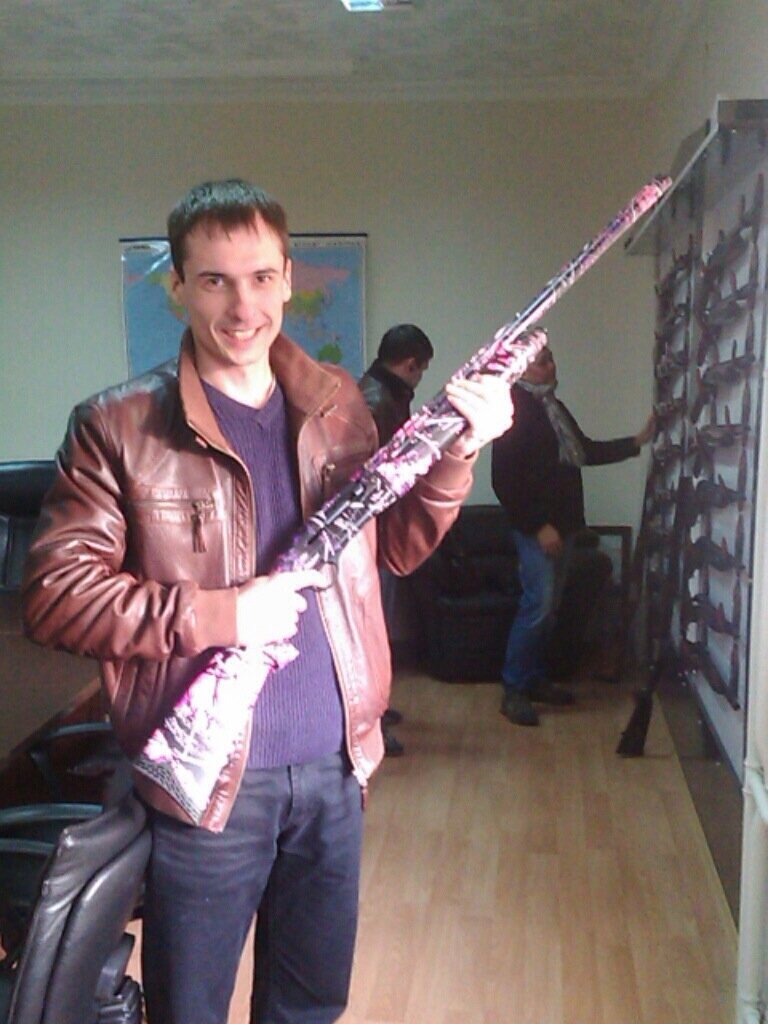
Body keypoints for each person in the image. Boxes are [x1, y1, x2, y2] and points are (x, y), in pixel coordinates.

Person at [21, 178, 513, 1024]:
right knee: (191, 1009)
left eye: (259, 278)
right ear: (179, 286)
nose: (242, 305)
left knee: (309, 1006)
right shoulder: (117, 426)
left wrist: (459, 454)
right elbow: (57, 597)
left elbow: (392, 547)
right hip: (206, 784)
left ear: (288, 279)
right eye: (215, 280)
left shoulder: (338, 406)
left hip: (335, 769)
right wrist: (221, 614)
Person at [491, 329, 653, 727]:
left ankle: (533, 679)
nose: (551, 366)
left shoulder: (551, 407)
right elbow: (504, 480)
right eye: (541, 361)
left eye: (551, 358)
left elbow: (584, 451)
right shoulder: (513, 410)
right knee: (538, 606)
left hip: (564, 527)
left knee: (548, 610)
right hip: (539, 530)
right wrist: (539, 526)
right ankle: (513, 689)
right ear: (521, 369)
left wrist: (637, 441)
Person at [357, 323, 434, 755]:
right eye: (421, 369)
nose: (420, 378)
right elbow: (379, 475)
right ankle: (370, 725)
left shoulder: (378, 393)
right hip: (374, 533)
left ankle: (378, 712)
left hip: (377, 531)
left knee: (377, 631)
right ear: (409, 364)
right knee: (371, 635)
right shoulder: (378, 402)